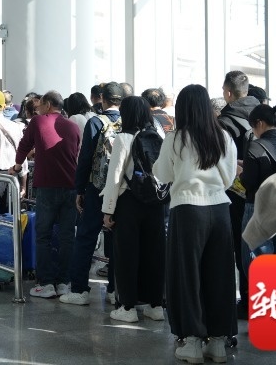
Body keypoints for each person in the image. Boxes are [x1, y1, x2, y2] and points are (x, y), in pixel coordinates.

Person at [155, 84, 237, 364]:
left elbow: (163, 173)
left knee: (186, 275)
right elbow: (229, 177)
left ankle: (191, 342)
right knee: (220, 275)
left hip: (187, 209)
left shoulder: (175, 138)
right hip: (220, 208)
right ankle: (218, 344)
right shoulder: (223, 136)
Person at [101, 95, 166, 323]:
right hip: (155, 203)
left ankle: (127, 307)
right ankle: (155, 306)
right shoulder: (157, 136)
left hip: (129, 202)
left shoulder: (124, 138)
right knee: (154, 254)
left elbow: (115, 177)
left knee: (126, 255)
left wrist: (108, 210)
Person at [60, 81, 122, 306]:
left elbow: (85, 158)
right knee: (116, 239)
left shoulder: (96, 122)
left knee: (86, 237)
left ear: (102, 99)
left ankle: (79, 290)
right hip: (120, 189)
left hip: (96, 188)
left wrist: (80, 189)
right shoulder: (127, 121)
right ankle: (115, 290)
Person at [14, 91, 81, 299]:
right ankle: (64, 282)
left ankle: (46, 283)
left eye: (40, 105)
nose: (38, 109)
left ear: (49, 105)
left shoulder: (38, 121)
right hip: (71, 186)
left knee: (43, 235)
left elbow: (24, 145)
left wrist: (17, 166)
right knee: (67, 236)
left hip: (47, 187)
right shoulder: (73, 126)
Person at [216, 70, 260, 320]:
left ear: (228, 92)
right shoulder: (262, 115)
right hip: (261, 191)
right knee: (257, 245)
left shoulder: (224, 122)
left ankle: (244, 299)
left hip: (233, 193)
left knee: (237, 245)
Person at [239, 103, 276, 281]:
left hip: (258, 208)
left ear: (260, 123)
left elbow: (249, 182)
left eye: (253, 127)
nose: (253, 131)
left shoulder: (255, 147)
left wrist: (240, 173)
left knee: (257, 261)